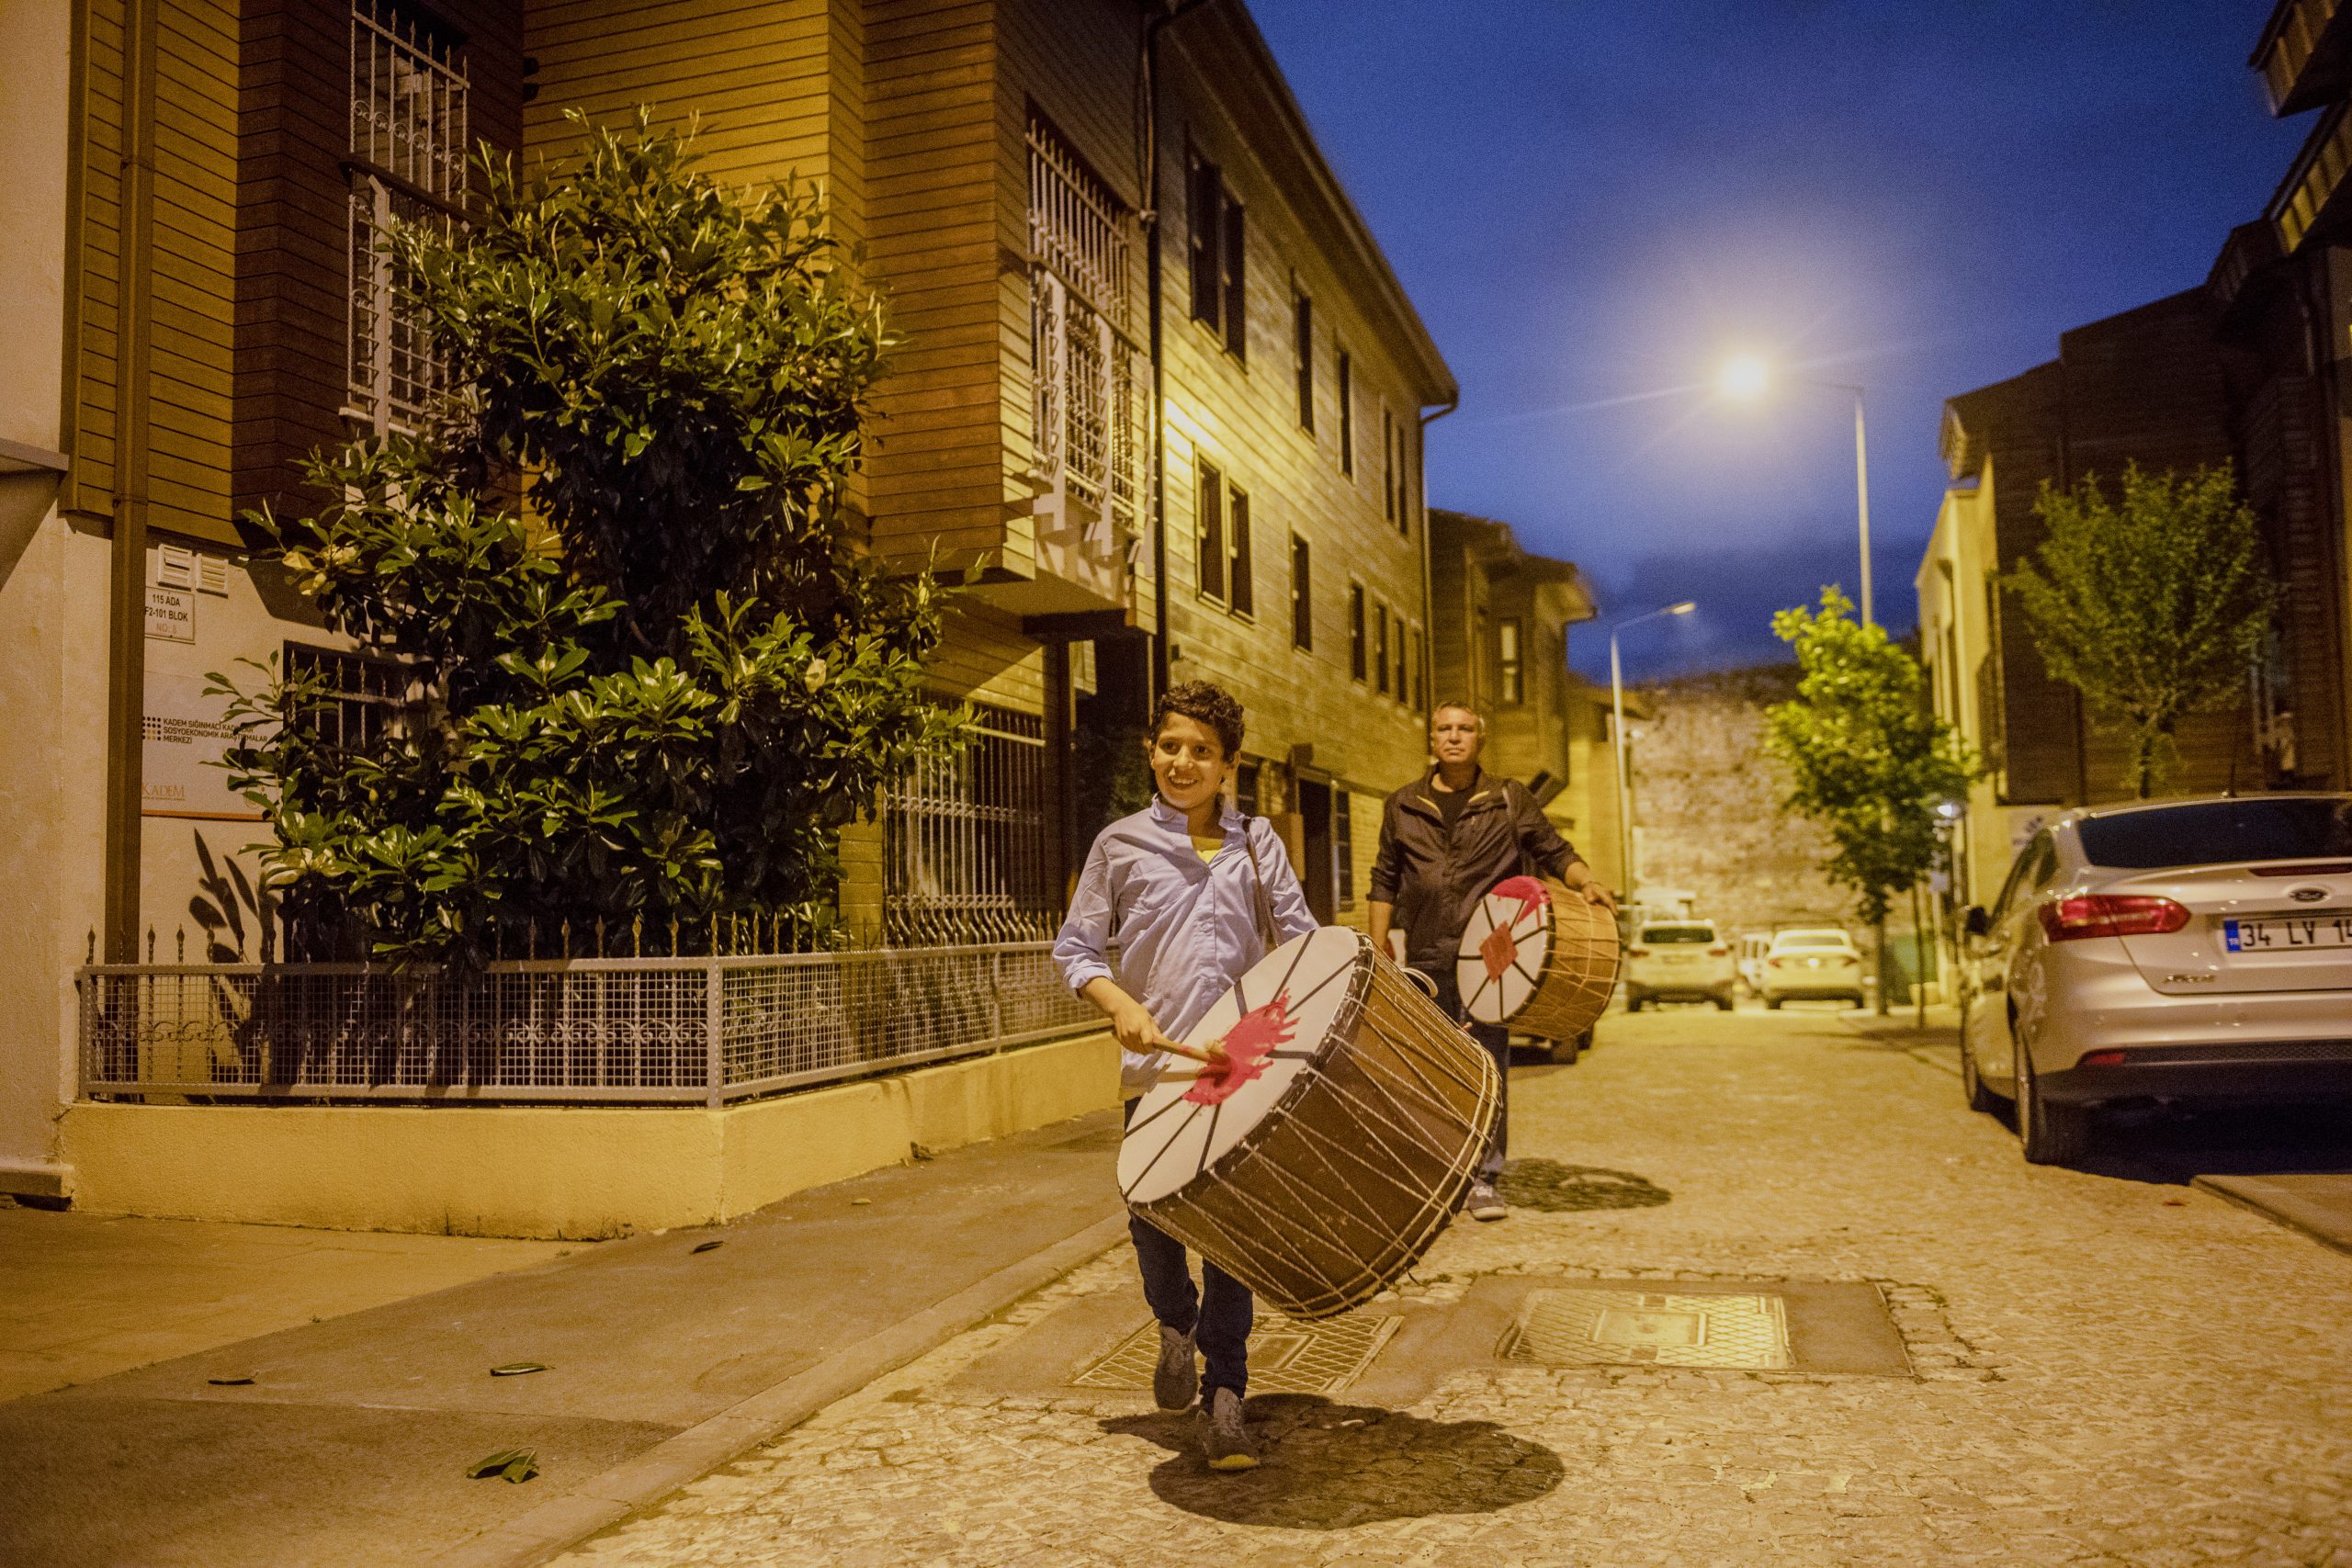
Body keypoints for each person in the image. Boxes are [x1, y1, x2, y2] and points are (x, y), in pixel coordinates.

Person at [1054, 680, 1317, 1472]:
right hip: (1155, 1069)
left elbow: (1298, 941)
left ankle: (1226, 1396)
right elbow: (1076, 949)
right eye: (1172, 745)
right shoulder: (1119, 844)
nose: (1184, 761)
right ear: (1151, 751)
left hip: (1239, 1068)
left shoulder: (1257, 844)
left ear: (1229, 765)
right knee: (1151, 1215)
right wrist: (1115, 1001)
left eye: (1203, 751)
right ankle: (1175, 1321)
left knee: (1229, 1232)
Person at [1367, 702, 1614, 1222]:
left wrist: (1587, 880)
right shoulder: (1402, 804)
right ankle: (1437, 1170)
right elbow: (1385, 876)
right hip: (1427, 956)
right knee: (1429, 1068)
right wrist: (1380, 943)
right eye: (1444, 729)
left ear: (1480, 738)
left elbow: (1552, 849)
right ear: (1431, 739)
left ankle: (1484, 1177)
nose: (1454, 737)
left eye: (1464, 729)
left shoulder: (1508, 798)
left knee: (1487, 1065)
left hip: (1491, 959)